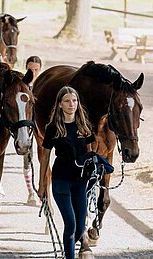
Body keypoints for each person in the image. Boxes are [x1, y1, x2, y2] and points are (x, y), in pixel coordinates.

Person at [37, 86, 95, 259]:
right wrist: (42, 186)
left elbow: (91, 153)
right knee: (70, 223)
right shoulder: (53, 128)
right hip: (61, 179)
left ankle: (69, 250)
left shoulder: (84, 126)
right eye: (67, 101)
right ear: (60, 104)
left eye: (74, 100)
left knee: (79, 228)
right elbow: (45, 158)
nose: (72, 104)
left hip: (80, 181)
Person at [23, 55, 42, 206]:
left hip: (40, 126)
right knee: (27, 159)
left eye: (36, 69)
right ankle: (30, 192)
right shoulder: (23, 84)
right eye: (31, 69)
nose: (34, 72)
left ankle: (42, 189)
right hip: (28, 126)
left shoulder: (43, 85)